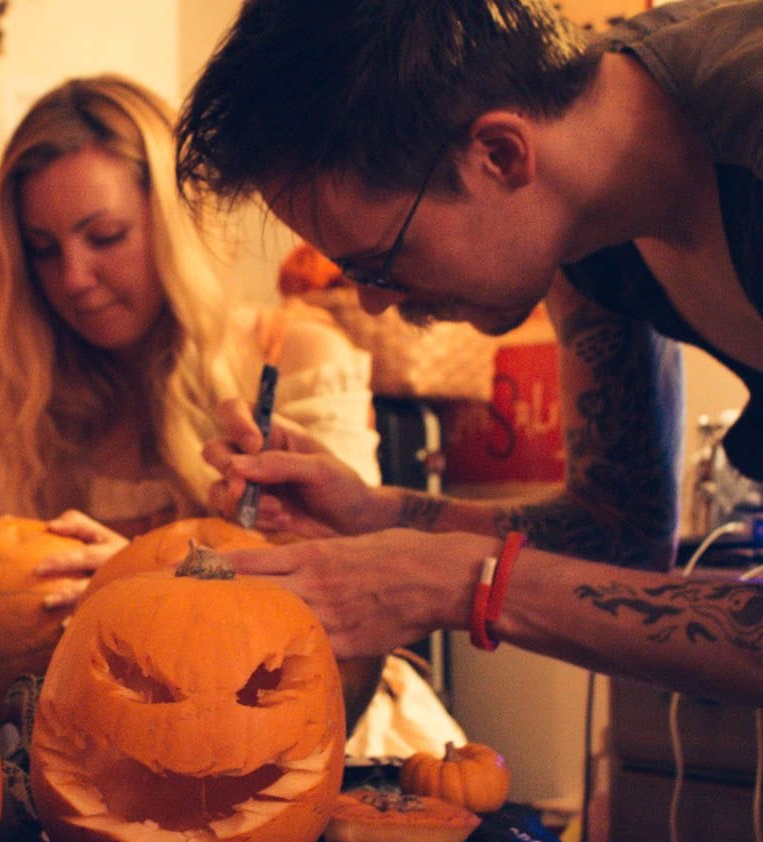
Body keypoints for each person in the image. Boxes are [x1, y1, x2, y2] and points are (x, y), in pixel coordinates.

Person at [176, 0, 763, 706]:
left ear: (500, 155)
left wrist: (462, 581)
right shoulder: (578, 203)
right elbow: (622, 538)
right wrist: (372, 513)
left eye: (379, 262)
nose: (372, 301)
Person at [0, 73, 381, 584]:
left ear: (173, 225)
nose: (71, 279)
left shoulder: (297, 360)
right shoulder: (34, 402)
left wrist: (142, 574)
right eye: (43, 249)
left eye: (105, 236)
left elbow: (351, 588)